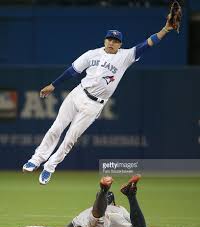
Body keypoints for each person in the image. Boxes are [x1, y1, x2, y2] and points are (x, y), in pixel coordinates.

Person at [23, 16, 175, 185]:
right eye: (110, 39)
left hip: (95, 105)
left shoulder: (126, 56)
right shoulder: (91, 54)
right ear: (105, 40)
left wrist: (165, 29)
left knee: (70, 139)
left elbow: (148, 44)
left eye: (116, 40)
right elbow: (73, 71)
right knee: (56, 128)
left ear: (120, 44)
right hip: (78, 94)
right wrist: (53, 84)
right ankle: (36, 160)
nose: (112, 42)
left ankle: (50, 167)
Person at [64, 174, 150, 227]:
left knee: (95, 217)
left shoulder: (89, 211)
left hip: (100, 224)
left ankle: (104, 190)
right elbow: (138, 225)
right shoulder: (119, 209)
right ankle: (131, 196)